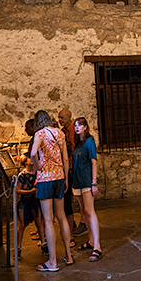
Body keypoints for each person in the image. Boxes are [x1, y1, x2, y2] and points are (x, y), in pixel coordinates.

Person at [31, 109, 73, 271]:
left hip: (46, 180)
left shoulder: (40, 134)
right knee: (62, 217)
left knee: (48, 220)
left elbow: (34, 152)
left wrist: (38, 165)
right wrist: (66, 178)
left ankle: (52, 262)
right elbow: (65, 159)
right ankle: (68, 256)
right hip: (59, 177)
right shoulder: (59, 133)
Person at [72, 117, 102, 262]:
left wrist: (94, 182)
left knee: (90, 211)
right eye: (75, 125)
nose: (76, 127)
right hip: (77, 181)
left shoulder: (89, 141)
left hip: (86, 180)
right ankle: (90, 240)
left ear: (85, 127)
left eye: (79, 125)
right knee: (83, 211)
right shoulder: (78, 143)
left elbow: (93, 162)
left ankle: (97, 246)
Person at [16, 155, 44, 258]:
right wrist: (30, 191)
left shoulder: (37, 173)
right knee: (22, 224)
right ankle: (18, 247)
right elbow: (18, 190)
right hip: (25, 200)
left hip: (34, 201)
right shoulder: (22, 175)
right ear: (25, 162)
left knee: (39, 222)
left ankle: (44, 243)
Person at [58, 108, 77, 245]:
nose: (60, 120)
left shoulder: (74, 131)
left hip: (74, 168)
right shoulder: (62, 132)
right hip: (66, 170)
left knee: (72, 200)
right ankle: (70, 226)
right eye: (59, 117)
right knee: (66, 200)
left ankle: (74, 228)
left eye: (62, 117)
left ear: (69, 117)